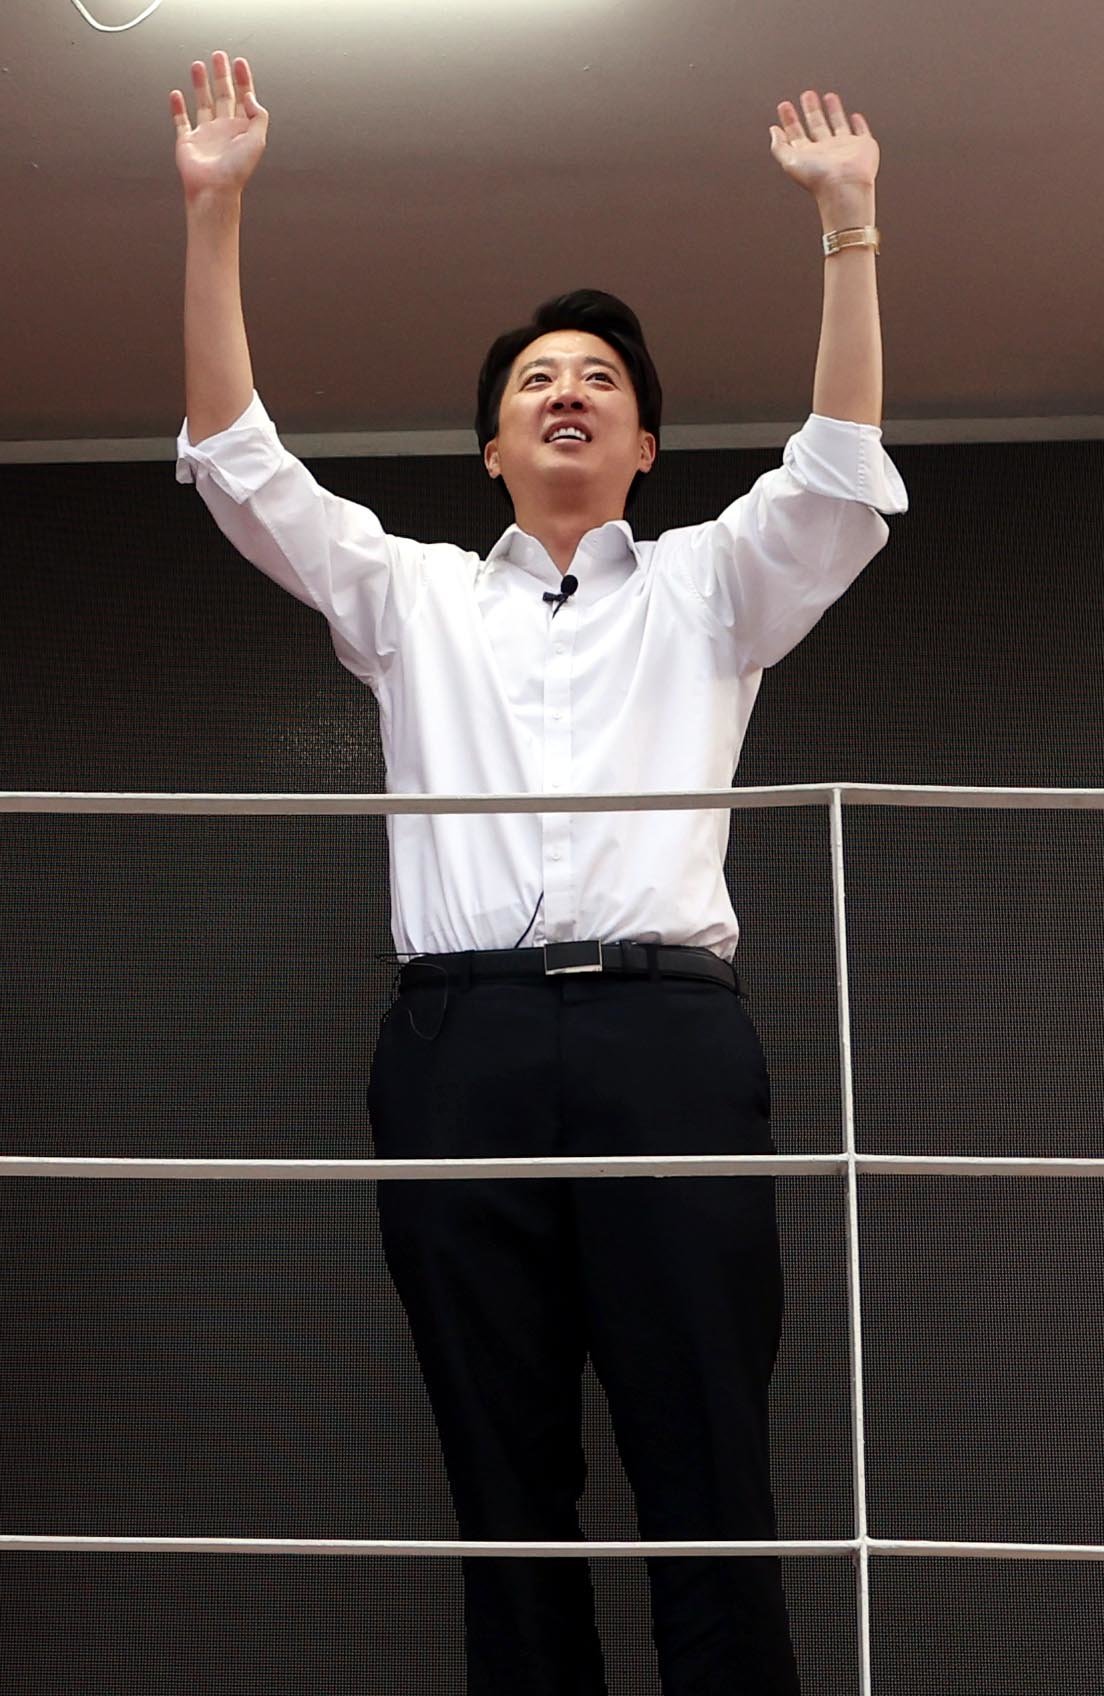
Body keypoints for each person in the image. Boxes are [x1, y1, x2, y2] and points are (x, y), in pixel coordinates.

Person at [170, 50, 908, 1696]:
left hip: (666, 1041)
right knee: (502, 1474)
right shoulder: (409, 594)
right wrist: (213, 210)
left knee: (706, 1455)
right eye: (532, 383)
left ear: (644, 446)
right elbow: (237, 458)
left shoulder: (714, 584)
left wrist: (850, 227)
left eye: (599, 380)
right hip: (461, 1043)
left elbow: (838, 467)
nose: (565, 392)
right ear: (493, 451)